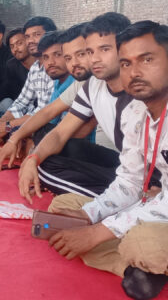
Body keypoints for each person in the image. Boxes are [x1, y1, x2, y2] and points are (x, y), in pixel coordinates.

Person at [46, 20, 168, 300]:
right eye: (126, 63)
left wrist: (99, 232)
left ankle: (138, 259)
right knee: (65, 208)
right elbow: (130, 181)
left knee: (143, 243)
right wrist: (89, 215)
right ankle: (138, 269)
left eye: (147, 59)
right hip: (156, 201)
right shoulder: (136, 113)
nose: (134, 72)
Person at [18, 12, 146, 201]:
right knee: (44, 160)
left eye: (104, 49)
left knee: (45, 170)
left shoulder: (145, 89)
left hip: (150, 174)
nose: (94, 59)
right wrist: (33, 159)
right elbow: (60, 133)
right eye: (90, 52)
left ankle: (129, 200)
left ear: (125, 48)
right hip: (123, 165)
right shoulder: (93, 85)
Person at [0, 23, 97, 170]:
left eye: (58, 55)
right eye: (45, 57)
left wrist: (33, 148)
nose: (50, 63)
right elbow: (46, 113)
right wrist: (15, 138)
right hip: (65, 139)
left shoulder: (86, 81)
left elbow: (73, 133)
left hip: (93, 153)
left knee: (51, 153)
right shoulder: (69, 83)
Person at [0, 17, 57, 141]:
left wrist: (6, 127)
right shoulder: (35, 68)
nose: (31, 40)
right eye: (27, 37)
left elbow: (44, 113)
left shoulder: (55, 67)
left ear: (51, 35)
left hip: (54, 127)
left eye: (36, 35)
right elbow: (21, 102)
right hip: (33, 118)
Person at [5, 27, 34, 99]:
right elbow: (16, 94)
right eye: (12, 46)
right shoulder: (11, 66)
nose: (15, 49)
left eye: (19, 43)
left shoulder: (43, 62)